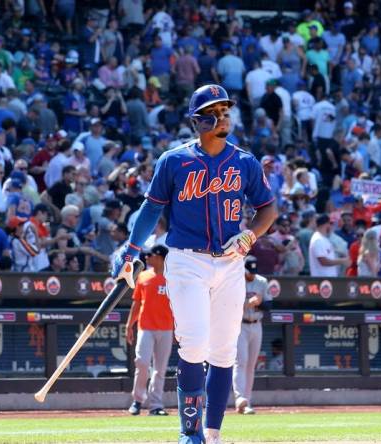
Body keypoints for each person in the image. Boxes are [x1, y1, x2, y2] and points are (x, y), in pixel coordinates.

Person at [111, 84, 277, 444]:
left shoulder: (245, 161)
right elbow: (151, 208)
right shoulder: (174, 160)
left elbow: (268, 208)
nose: (222, 117)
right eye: (214, 112)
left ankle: (213, 433)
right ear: (197, 120)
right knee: (194, 344)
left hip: (231, 262)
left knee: (223, 350)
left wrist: (250, 235)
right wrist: (130, 251)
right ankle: (190, 432)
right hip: (187, 260)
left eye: (226, 111)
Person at [126, 245, 173, 417]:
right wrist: (129, 325)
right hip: (146, 326)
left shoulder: (172, 277)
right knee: (142, 363)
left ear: (160, 257)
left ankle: (156, 405)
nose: (146, 258)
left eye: (150, 255)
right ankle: (137, 400)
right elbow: (136, 303)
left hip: (166, 328)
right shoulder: (143, 276)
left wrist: (178, 329)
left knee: (160, 369)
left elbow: (178, 306)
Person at [233, 256, 271, 415]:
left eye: (254, 272)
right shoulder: (235, 281)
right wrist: (247, 303)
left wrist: (260, 303)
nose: (252, 275)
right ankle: (240, 398)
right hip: (240, 325)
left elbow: (269, 305)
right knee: (241, 361)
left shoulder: (261, 281)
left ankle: (247, 401)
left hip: (256, 324)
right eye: (250, 272)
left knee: (250, 365)